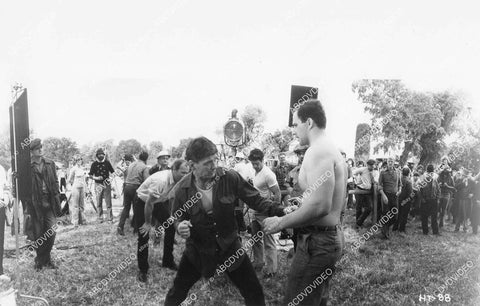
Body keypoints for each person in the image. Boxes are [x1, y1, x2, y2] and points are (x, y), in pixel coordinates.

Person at [164, 137, 286, 306]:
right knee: (176, 293)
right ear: (192, 165)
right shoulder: (182, 190)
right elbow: (177, 216)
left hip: (230, 247)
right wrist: (180, 226)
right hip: (198, 250)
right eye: (207, 162)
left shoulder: (229, 177)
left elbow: (256, 200)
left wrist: (282, 210)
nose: (214, 165)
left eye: (216, 159)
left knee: (254, 292)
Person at [264, 100, 346, 306]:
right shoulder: (330, 149)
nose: (293, 130)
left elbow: (320, 206)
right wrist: (300, 205)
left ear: (308, 122)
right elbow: (321, 199)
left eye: (295, 124)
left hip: (317, 243)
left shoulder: (318, 150)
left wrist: (280, 222)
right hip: (327, 239)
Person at [136, 159, 190, 282]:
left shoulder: (180, 181)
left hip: (158, 201)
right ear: (174, 170)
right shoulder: (161, 180)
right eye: (183, 173)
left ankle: (167, 261)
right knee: (144, 234)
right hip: (143, 202)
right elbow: (149, 203)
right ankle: (143, 270)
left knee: (170, 227)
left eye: (187, 173)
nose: (185, 176)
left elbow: (171, 200)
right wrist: (148, 223)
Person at [248, 148, 281, 277]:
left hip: (265, 211)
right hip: (255, 211)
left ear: (262, 161)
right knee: (255, 239)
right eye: (253, 163)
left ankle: (272, 270)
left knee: (269, 240)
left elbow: (277, 194)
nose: (255, 166)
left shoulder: (268, 174)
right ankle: (258, 263)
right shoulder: (255, 172)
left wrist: (273, 212)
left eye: (257, 163)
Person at [29, 139, 60, 270]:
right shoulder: (27, 167)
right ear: (31, 151)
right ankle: (41, 261)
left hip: (50, 202)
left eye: (41, 147)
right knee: (38, 235)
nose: (40, 150)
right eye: (37, 148)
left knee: (51, 232)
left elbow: (56, 181)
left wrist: (57, 194)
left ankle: (43, 259)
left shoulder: (50, 163)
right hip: (35, 204)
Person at [117, 151, 149, 236]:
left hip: (127, 186)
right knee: (137, 208)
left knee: (126, 208)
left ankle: (120, 226)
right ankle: (136, 228)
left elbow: (127, 174)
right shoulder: (144, 167)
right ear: (146, 159)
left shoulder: (131, 164)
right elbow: (146, 181)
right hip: (135, 187)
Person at [89, 148, 115, 222]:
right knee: (99, 201)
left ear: (104, 155)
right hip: (98, 184)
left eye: (102, 154)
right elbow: (90, 175)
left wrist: (111, 178)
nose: (101, 155)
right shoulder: (94, 164)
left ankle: (110, 218)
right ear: (97, 155)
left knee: (108, 201)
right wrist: (96, 177)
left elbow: (113, 172)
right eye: (100, 154)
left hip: (106, 184)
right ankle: (100, 218)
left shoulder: (107, 163)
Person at [378, 157, 402, 238]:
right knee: (386, 214)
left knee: (395, 216)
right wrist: (383, 195)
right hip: (386, 195)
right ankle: (385, 233)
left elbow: (400, 184)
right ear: (387, 162)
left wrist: (399, 190)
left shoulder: (398, 172)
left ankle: (386, 227)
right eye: (389, 161)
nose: (390, 162)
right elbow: (379, 186)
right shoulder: (382, 172)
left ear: (394, 162)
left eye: (392, 161)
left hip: (395, 196)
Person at [353, 159, 375, 228]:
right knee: (359, 208)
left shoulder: (373, 172)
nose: (373, 167)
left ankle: (359, 221)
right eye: (371, 165)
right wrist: (357, 180)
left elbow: (373, 180)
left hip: (367, 192)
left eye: (373, 165)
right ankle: (358, 225)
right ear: (368, 165)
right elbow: (353, 172)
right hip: (360, 190)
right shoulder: (362, 169)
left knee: (369, 208)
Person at [419, 164, 441, 235]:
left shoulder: (435, 180)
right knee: (424, 217)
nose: (430, 174)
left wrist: (437, 198)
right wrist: (422, 199)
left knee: (434, 217)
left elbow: (438, 190)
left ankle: (435, 232)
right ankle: (425, 232)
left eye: (432, 173)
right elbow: (419, 191)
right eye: (429, 173)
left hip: (433, 201)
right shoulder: (423, 180)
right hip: (425, 201)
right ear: (426, 172)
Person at [68, 156, 87, 227]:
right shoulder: (73, 169)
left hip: (82, 188)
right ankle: (75, 222)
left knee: (82, 205)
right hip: (75, 188)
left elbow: (84, 180)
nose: (79, 161)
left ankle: (83, 221)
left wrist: (86, 189)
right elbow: (69, 179)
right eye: (78, 160)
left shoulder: (82, 168)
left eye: (80, 160)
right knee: (75, 205)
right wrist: (73, 185)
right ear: (76, 161)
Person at [396, 167, 413, 233]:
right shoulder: (409, 181)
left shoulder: (398, 179)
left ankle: (395, 227)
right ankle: (401, 229)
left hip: (398, 199)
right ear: (408, 173)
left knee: (398, 214)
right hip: (406, 200)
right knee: (404, 215)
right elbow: (410, 193)